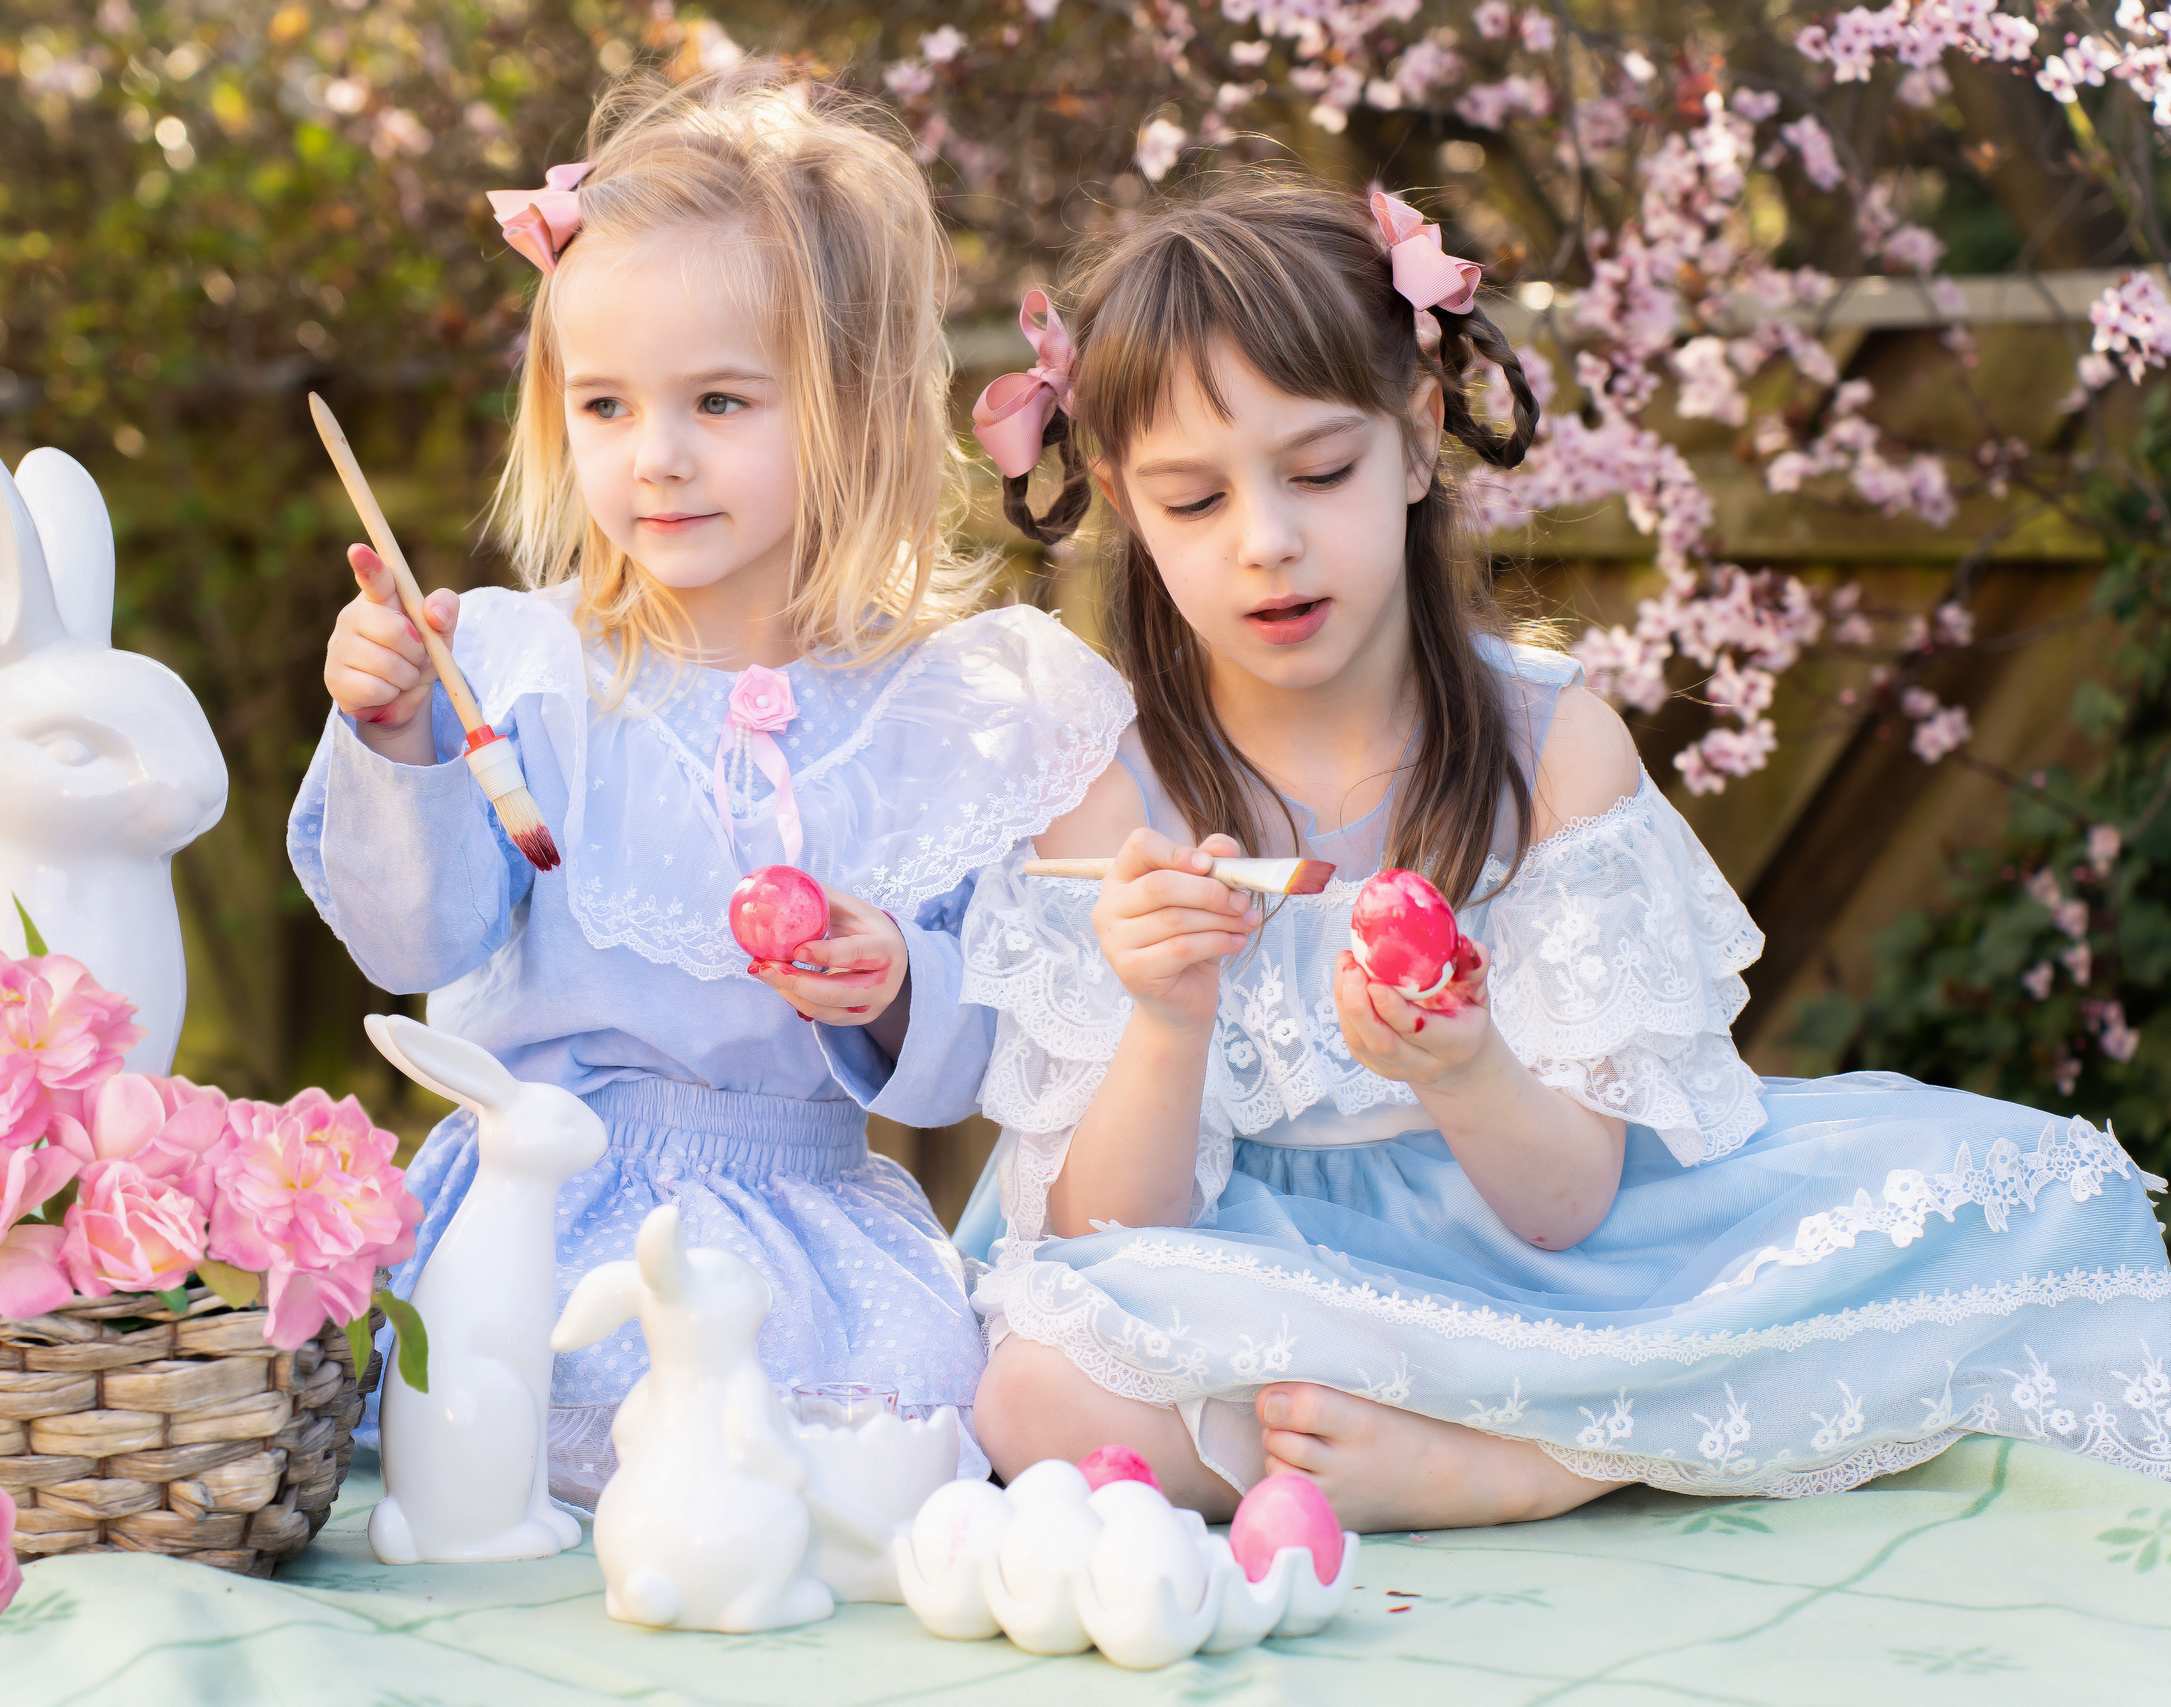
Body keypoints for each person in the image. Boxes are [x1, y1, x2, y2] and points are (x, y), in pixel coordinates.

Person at [957, 175, 2171, 1531]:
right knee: (1036, 1393)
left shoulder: (1552, 749)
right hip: (1257, 1268)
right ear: (1122, 498)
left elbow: (1568, 1207)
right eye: (1194, 502)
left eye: (1320, 471)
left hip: (1544, 1270)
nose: (1270, 541)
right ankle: (1507, 1444)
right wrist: (1167, 1019)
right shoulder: (1105, 796)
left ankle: (1534, 1458)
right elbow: (1110, 1232)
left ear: (1418, 440)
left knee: (2035, 1202)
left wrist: (1465, 1064)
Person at [289, 66, 1130, 1506]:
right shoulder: (515, 665)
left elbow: (1005, 1048)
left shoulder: (938, 709)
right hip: (542, 1209)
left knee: (900, 1426)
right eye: (604, 406)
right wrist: (398, 738)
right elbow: (410, 942)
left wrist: (901, 990)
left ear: (856, 405)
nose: (656, 459)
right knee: (574, 1408)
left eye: (720, 401)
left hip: (814, 1225)